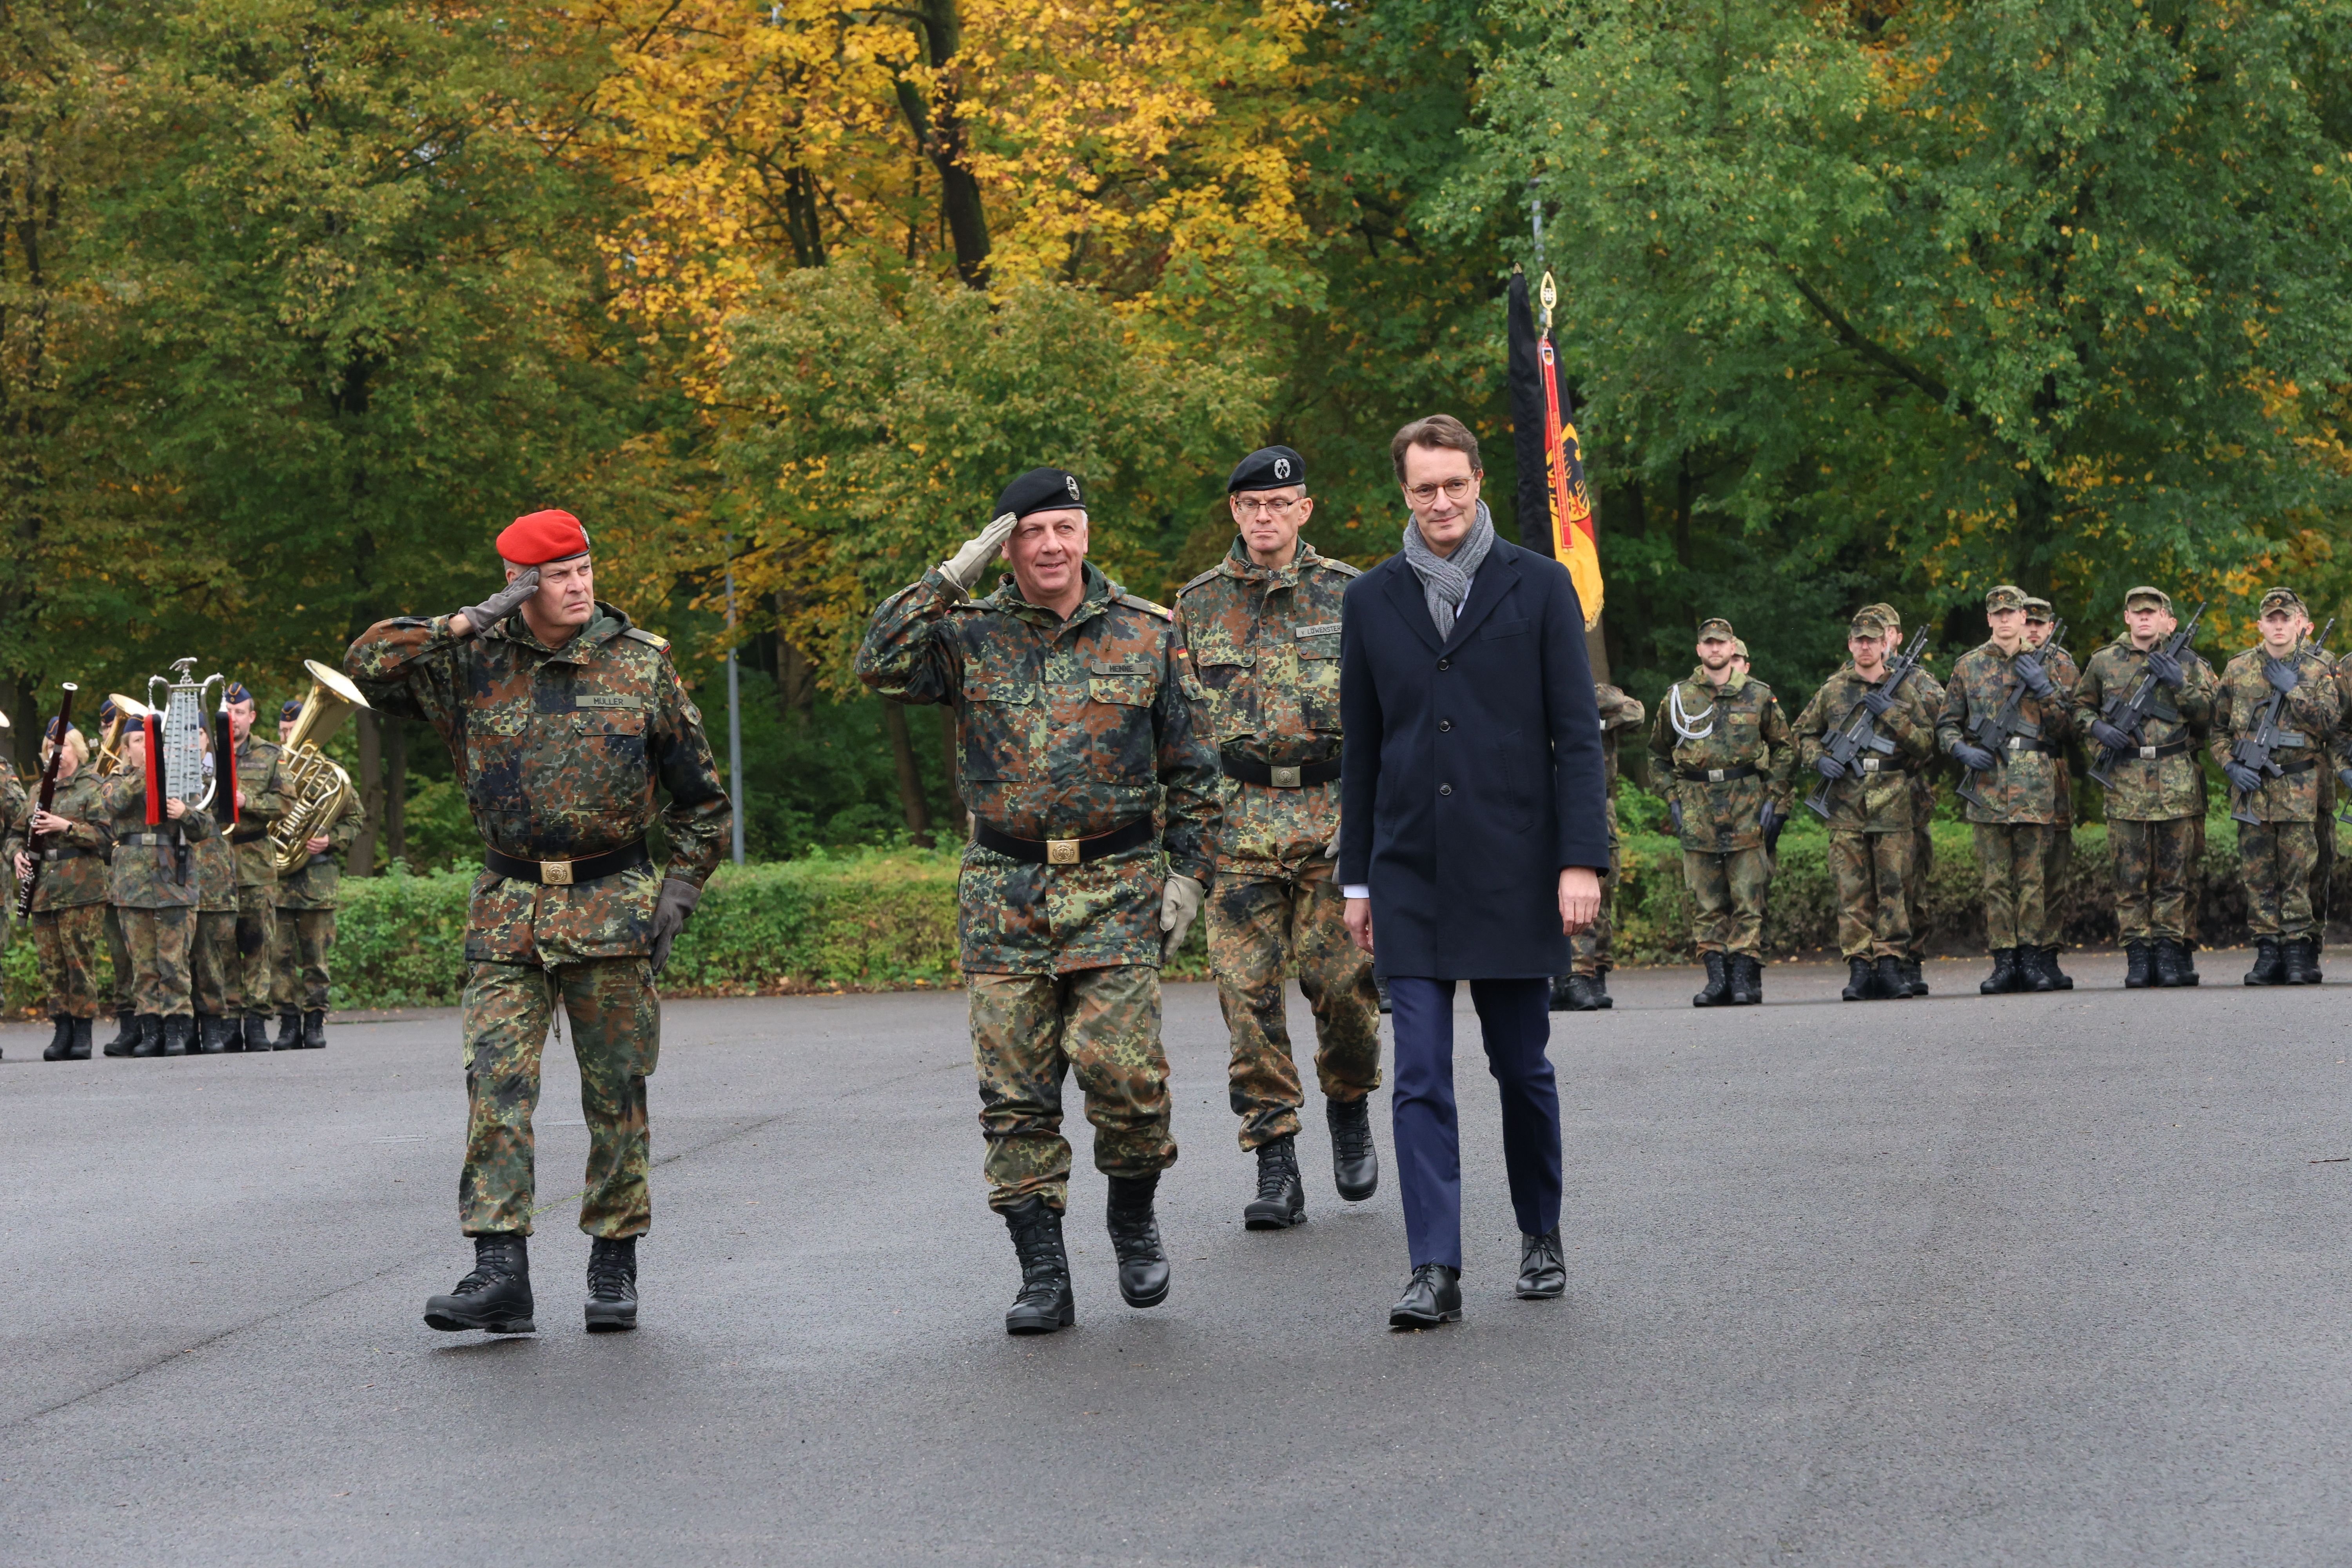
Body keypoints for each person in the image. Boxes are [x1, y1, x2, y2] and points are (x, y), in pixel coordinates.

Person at [346, 508, 728, 1336]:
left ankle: (614, 1258)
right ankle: (499, 1268)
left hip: (612, 904)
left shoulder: (642, 664)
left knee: (616, 1093)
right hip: (509, 911)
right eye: (558, 574)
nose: (580, 583)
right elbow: (367, 666)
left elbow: (701, 799)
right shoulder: (469, 663)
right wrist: (464, 620)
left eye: (585, 567)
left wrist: (682, 885)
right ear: (522, 585)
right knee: (496, 1087)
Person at [858, 466, 1217, 1336]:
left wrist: (1190, 876)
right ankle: (1043, 1270)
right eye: (1029, 532)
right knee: (1014, 1093)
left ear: (1087, 534)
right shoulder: (968, 634)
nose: (1050, 546)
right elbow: (878, 663)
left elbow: (1197, 771)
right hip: (1004, 892)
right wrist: (949, 576)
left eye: (1064, 527)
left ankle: (1132, 1215)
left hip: (1117, 889)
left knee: (1126, 1079)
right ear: (1006, 545)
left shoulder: (1149, 634)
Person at [1336, 413, 1606, 1329]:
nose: (1441, 502)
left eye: (1455, 484)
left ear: (1478, 480)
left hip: (1514, 866)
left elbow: (1577, 736)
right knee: (1417, 1072)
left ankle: (1540, 1232)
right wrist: (1356, 880)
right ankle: (1434, 1266)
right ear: (1403, 492)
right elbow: (1362, 753)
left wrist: (1580, 859)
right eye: (1424, 488)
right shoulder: (1370, 602)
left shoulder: (1539, 587)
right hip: (1408, 869)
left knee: (1520, 1065)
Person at [1174, 445, 1381, 1230]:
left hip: (1333, 814)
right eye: (1250, 505)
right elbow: (1182, 729)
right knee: (1245, 999)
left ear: (1305, 508)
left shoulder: (1354, 595)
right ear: (1235, 512)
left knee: (1345, 989)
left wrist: (1376, 819)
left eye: (1279, 503)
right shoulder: (1196, 605)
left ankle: (1350, 1102)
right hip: (1238, 823)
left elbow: (1388, 714)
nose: (1265, 517)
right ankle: (1275, 1158)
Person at [2073, 586, 2216, 988]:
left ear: (2166, 619)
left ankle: (2170, 953)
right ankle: (2138, 954)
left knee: (2175, 877)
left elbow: (2212, 717)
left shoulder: (2189, 661)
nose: (2144, 619)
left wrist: (2181, 684)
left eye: (2151, 613)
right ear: (2126, 617)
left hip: (2175, 782)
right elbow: (2078, 709)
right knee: (2129, 877)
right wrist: (2098, 728)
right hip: (2124, 783)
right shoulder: (2104, 662)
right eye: (2137, 612)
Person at [1938, 584, 2078, 993]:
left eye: (2011, 613)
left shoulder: (2047, 664)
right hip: (1988, 785)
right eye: (1996, 613)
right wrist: (1962, 750)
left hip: (2034, 784)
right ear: (1989, 619)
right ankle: (2004, 960)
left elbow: (2068, 728)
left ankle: (2032, 959)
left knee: (2034, 880)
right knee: (1996, 882)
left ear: (2023, 617)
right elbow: (1947, 722)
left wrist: (2045, 690)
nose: (2004, 620)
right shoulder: (1969, 666)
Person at [1648, 617, 1795, 1007]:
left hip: (1746, 805)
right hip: (1697, 806)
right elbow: (1658, 754)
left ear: (1733, 648)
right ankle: (1716, 980)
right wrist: (1672, 798)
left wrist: (1772, 795)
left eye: (1722, 643)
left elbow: (1786, 748)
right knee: (1707, 901)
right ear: (1699, 649)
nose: (1715, 649)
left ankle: (1744, 978)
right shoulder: (1678, 698)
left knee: (1748, 896)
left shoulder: (1759, 695)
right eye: (1708, 643)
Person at [1794, 608, 1938, 1001]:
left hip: (1893, 800)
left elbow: (1928, 744)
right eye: (1859, 639)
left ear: (1885, 643)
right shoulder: (1834, 689)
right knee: (1852, 890)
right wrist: (1817, 758)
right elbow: (1803, 733)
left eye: (1872, 640)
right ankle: (1860, 966)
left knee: (1895, 888)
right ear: (1850, 644)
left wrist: (1891, 715)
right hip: (1845, 804)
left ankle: (1891, 963)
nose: (1865, 646)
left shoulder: (1905, 688)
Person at [2210, 587, 2339, 985]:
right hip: (2253, 789)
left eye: (2286, 619)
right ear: (2260, 625)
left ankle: (2300, 950)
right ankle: (2268, 949)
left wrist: (2293, 689)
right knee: (2258, 873)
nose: (2279, 625)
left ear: (2299, 623)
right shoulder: (2238, 668)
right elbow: (2216, 731)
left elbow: (2330, 723)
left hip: (2300, 788)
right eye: (2272, 619)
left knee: (2301, 872)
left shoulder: (2319, 668)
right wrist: (2231, 766)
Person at [95, 722, 214, 1057]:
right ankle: (150, 1029)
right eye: (138, 741)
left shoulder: (180, 779)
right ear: (126, 749)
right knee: (143, 964)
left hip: (173, 879)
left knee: (174, 961)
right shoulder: (115, 780)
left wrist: (185, 813)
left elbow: (207, 827)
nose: (146, 746)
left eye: (151, 742)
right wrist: (145, 772)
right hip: (132, 884)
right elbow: (115, 804)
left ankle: (177, 1029)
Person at [7, 725, 112, 1060]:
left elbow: (108, 838)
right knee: (51, 963)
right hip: (44, 889)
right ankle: (62, 1028)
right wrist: (16, 854)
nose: (58, 751)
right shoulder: (38, 790)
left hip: (81, 886)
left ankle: (83, 1030)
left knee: (78, 959)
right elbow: (15, 833)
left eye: (65, 745)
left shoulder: (93, 787)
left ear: (79, 751)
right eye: (52, 746)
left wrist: (65, 826)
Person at [271, 698, 367, 1049]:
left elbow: (356, 820)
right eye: (282, 732)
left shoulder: (330, 774)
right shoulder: (270, 770)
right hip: (278, 882)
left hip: (316, 881)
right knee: (278, 958)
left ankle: (314, 1023)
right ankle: (287, 1024)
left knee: (316, 958)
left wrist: (330, 840)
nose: (286, 739)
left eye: (291, 732)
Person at [1864, 605, 1944, 996]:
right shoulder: (1856, 679)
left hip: (1909, 792)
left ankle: (1910, 958)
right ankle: (1873, 961)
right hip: (1865, 798)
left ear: (1895, 636)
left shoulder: (1921, 682)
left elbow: (1940, 732)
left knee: (1911, 883)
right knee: (1871, 883)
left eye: (1885, 631)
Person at [1556, 682, 1646, 1012]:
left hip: (1594, 800)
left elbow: (1636, 712)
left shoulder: (1594, 691)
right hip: (1544, 799)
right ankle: (1566, 977)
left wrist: (1597, 720)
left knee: (1601, 891)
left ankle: (1594, 973)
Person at [221, 684, 291, 1051]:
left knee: (258, 944)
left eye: (239, 713)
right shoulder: (206, 751)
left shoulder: (269, 754)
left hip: (255, 863)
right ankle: (230, 1021)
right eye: (228, 713)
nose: (232, 720)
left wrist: (249, 800)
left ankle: (257, 1022)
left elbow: (286, 803)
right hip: (215, 863)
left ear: (251, 716)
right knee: (222, 946)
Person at [2021, 598, 2080, 988]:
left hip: (2052, 779)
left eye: (2040, 624)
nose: (2034, 630)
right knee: (2015, 877)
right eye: (2028, 622)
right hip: (2006, 783)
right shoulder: (1993, 662)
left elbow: (2076, 728)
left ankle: (2049, 953)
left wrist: (2047, 690)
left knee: (2053, 874)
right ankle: (2017, 954)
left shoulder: (2063, 665)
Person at [188, 726, 244, 1054]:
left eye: (197, 733)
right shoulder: (169, 775)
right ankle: (186, 1027)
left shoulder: (221, 774)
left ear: (208, 738)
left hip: (212, 876)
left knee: (213, 957)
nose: (191, 741)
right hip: (174, 875)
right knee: (180, 959)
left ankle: (215, 1026)